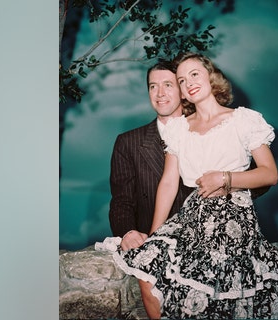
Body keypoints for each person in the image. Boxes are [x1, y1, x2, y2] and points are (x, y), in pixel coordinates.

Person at [111, 52, 278, 319]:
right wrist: (155, 234)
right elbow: (169, 182)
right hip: (191, 217)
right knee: (147, 267)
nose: (189, 83)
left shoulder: (244, 120)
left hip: (233, 220)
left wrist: (226, 179)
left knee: (217, 291)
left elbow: (270, 174)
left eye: (194, 74)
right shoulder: (179, 129)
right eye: (181, 80)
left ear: (211, 76)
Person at [109, 60, 269, 251]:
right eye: (153, 86)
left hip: (217, 232)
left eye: (168, 85)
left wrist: (228, 186)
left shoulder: (225, 126)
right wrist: (128, 232)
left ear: (182, 91)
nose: (160, 93)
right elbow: (122, 200)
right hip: (156, 238)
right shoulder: (128, 142)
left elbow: (262, 176)